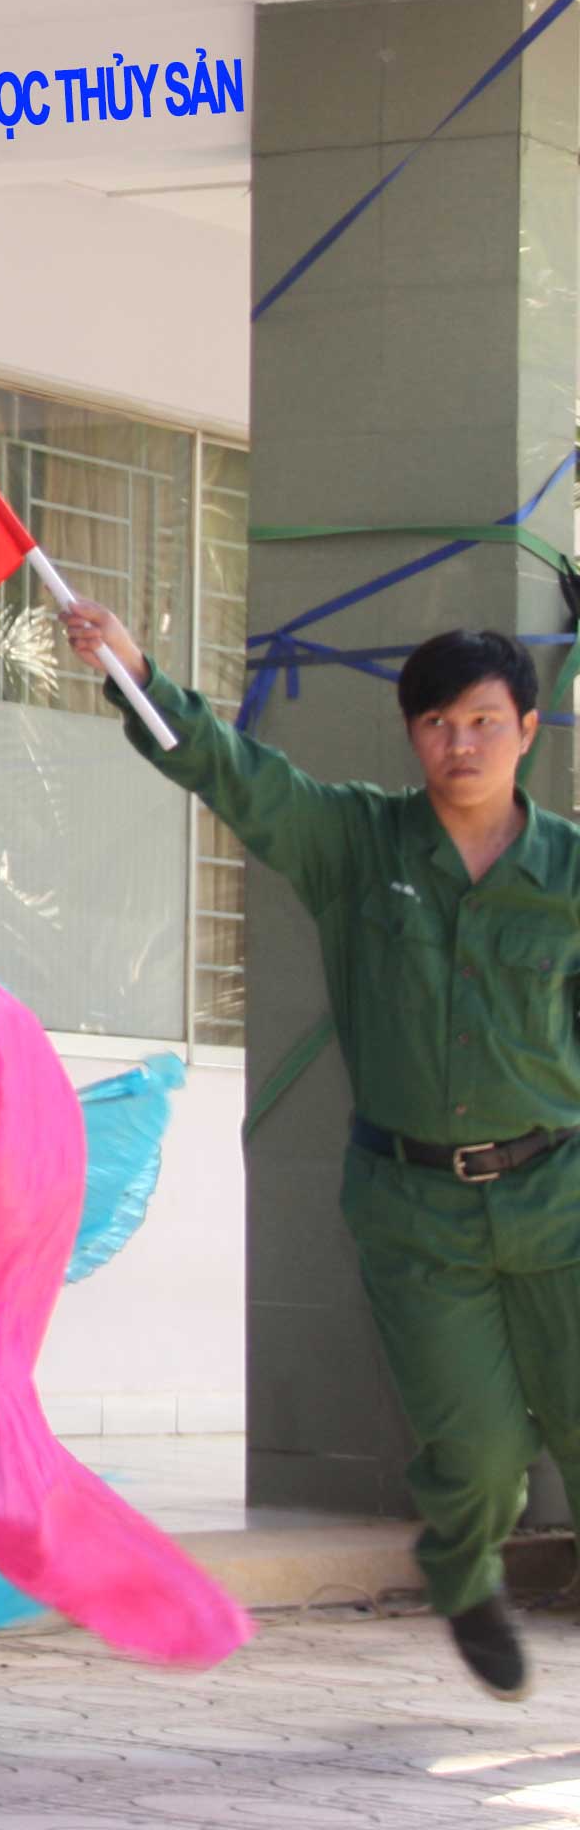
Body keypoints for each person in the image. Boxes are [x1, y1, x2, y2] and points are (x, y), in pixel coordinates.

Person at [66, 604, 580, 1701]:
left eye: (484, 721)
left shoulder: (571, 873)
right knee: (479, 1455)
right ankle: (462, 1570)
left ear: (529, 730)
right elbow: (238, 776)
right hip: (417, 1210)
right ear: (412, 734)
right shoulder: (358, 844)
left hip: (561, 1196)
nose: (461, 743)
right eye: (436, 723)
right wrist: (135, 672)